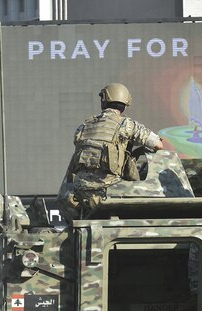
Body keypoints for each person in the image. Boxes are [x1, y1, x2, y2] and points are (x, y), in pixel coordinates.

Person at [57, 83, 165, 220]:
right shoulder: (128, 125)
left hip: (79, 194)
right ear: (125, 105)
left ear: (104, 101)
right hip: (107, 192)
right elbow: (158, 145)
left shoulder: (84, 126)